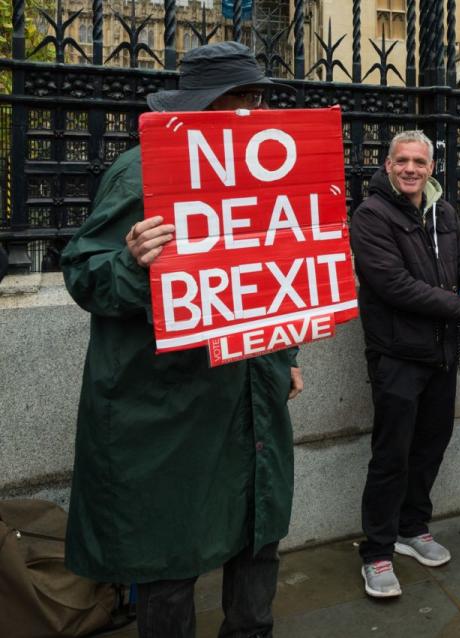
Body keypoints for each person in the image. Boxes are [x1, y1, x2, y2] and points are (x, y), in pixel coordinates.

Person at [60, 41, 303, 637]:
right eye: (239, 99)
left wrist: (286, 350)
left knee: (258, 531)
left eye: (257, 98)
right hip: (169, 402)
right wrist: (133, 264)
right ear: (203, 106)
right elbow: (84, 272)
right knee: (170, 556)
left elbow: (275, 271)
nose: (253, 111)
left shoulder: (265, 167)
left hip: (249, 385)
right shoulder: (141, 170)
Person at [350, 130, 460, 598]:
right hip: (398, 354)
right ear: (388, 164)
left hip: (442, 353)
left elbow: (456, 270)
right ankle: (377, 552)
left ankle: (412, 529)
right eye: (403, 161)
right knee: (392, 453)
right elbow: (393, 285)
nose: (411, 168)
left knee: (431, 445)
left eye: (419, 161)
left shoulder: (444, 211)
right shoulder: (371, 215)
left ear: (431, 167)